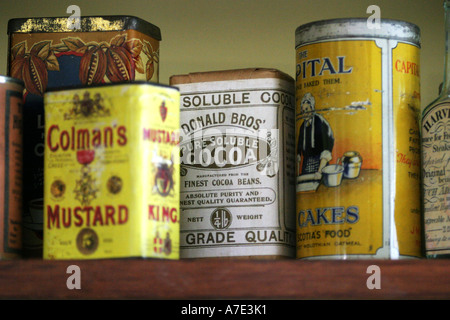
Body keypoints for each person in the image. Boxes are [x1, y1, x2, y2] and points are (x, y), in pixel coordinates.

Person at [297, 93, 334, 181]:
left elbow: (327, 146)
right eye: (303, 110)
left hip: (320, 164)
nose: (304, 113)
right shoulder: (303, 126)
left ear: (312, 108)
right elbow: (299, 148)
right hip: (306, 167)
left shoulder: (320, 121)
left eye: (307, 109)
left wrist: (320, 171)